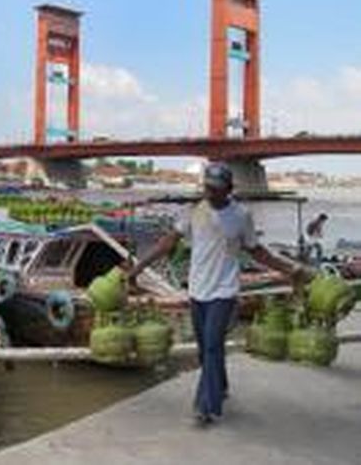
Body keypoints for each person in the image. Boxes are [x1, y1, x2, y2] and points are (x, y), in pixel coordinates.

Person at [128, 162, 310, 426]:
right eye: (207, 188)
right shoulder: (193, 211)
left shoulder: (241, 216)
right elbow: (167, 242)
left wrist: (290, 269)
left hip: (224, 292)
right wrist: (137, 269)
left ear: (229, 189)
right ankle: (221, 386)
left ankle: (206, 406)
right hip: (197, 290)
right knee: (205, 350)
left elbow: (257, 251)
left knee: (213, 346)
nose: (210, 193)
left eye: (215, 189)